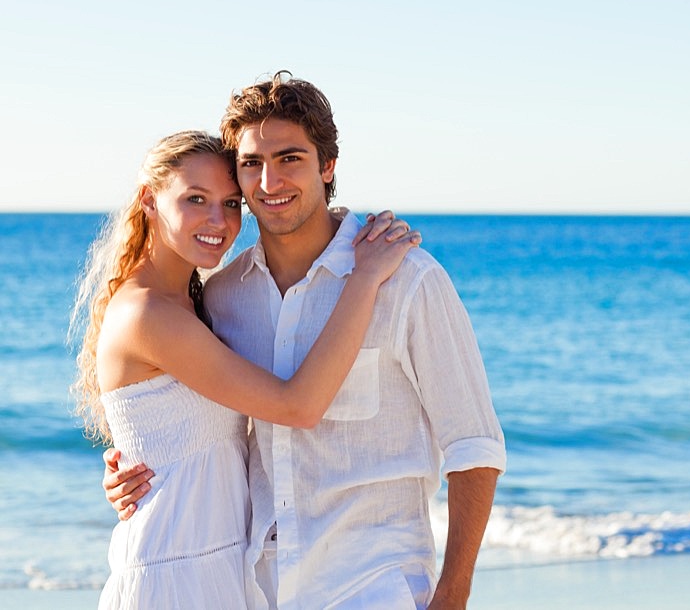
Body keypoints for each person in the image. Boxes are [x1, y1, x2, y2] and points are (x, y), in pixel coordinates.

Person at [105, 72, 507, 609]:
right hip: (254, 589)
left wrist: (453, 596)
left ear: (328, 166)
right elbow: (190, 410)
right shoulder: (222, 298)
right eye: (251, 164)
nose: (269, 182)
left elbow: (474, 446)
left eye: (290, 158)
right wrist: (136, 463)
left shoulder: (409, 280)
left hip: (372, 587)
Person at [72, 129, 419, 609]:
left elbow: (185, 436)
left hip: (217, 569)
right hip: (174, 577)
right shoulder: (148, 314)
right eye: (196, 199)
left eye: (232, 203)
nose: (219, 220)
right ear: (149, 201)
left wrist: (134, 458)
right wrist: (363, 278)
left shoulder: (197, 303)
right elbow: (295, 407)